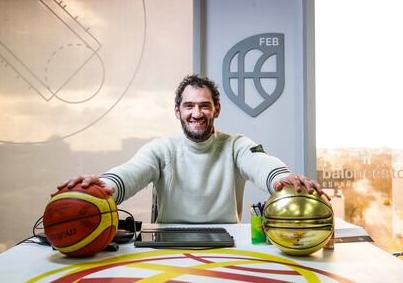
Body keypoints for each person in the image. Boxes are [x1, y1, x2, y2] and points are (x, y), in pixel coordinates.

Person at [59, 75, 326, 223]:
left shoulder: (236, 145)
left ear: (216, 110)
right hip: (167, 243)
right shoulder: (162, 149)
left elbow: (260, 163)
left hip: (227, 244)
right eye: (189, 106)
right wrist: (103, 186)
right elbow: (133, 171)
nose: (196, 113)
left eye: (204, 105)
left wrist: (282, 178)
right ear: (177, 111)